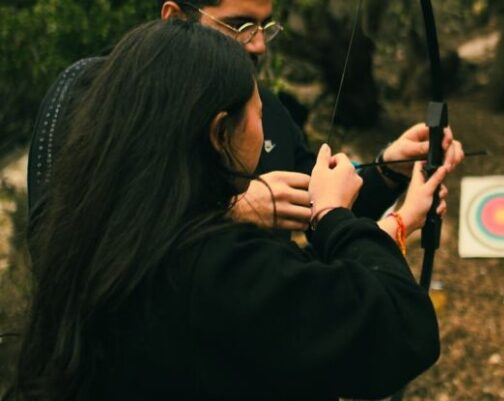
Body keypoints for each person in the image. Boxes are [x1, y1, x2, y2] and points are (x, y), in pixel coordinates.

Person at [8, 20, 446, 401]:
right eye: (256, 114)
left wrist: (390, 190)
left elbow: (293, 295)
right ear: (219, 132)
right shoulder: (217, 271)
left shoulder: (102, 235)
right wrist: (332, 213)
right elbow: (401, 330)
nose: (256, 43)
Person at [27, 0, 465, 236]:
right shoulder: (91, 90)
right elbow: (58, 238)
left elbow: (318, 198)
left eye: (264, 27)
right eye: (240, 26)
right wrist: (231, 212)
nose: (257, 45)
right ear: (176, 18)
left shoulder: (259, 108)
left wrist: (389, 169)